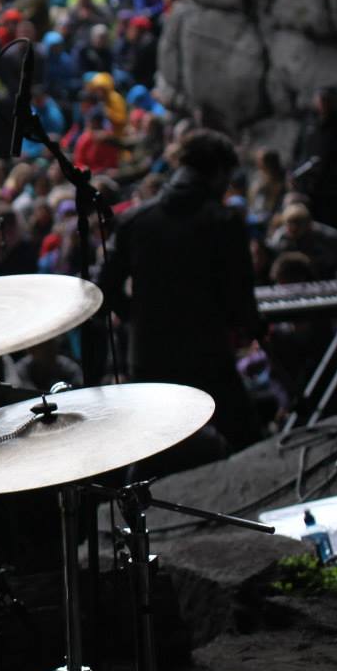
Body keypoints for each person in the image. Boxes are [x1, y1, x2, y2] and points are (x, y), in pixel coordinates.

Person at [99, 130, 263, 451]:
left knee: (150, 449)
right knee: (247, 443)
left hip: (148, 356)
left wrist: (137, 316)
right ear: (217, 172)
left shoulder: (135, 219)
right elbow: (240, 299)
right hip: (207, 355)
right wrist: (253, 327)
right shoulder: (224, 220)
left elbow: (106, 288)